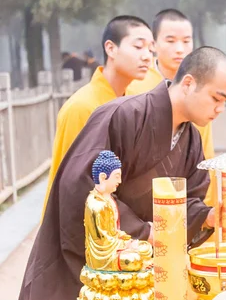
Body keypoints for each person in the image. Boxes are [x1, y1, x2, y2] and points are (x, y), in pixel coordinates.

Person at [1, 46, 226, 300]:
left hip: (137, 280)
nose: (220, 108)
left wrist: (209, 216)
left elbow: (187, 202)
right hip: (78, 269)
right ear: (188, 82)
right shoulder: (122, 115)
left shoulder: (191, 139)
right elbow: (82, 186)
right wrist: (141, 231)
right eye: (217, 97)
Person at [42, 15, 154, 214]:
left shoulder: (137, 104)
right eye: (138, 47)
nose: (147, 56)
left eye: (150, 49)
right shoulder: (81, 107)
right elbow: (66, 184)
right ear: (111, 48)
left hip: (123, 224)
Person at [127, 8, 216, 204]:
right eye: (170, 40)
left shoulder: (200, 87)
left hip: (190, 193)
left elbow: (205, 151)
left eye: (186, 41)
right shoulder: (135, 87)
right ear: (154, 44)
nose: (180, 49)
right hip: (141, 198)